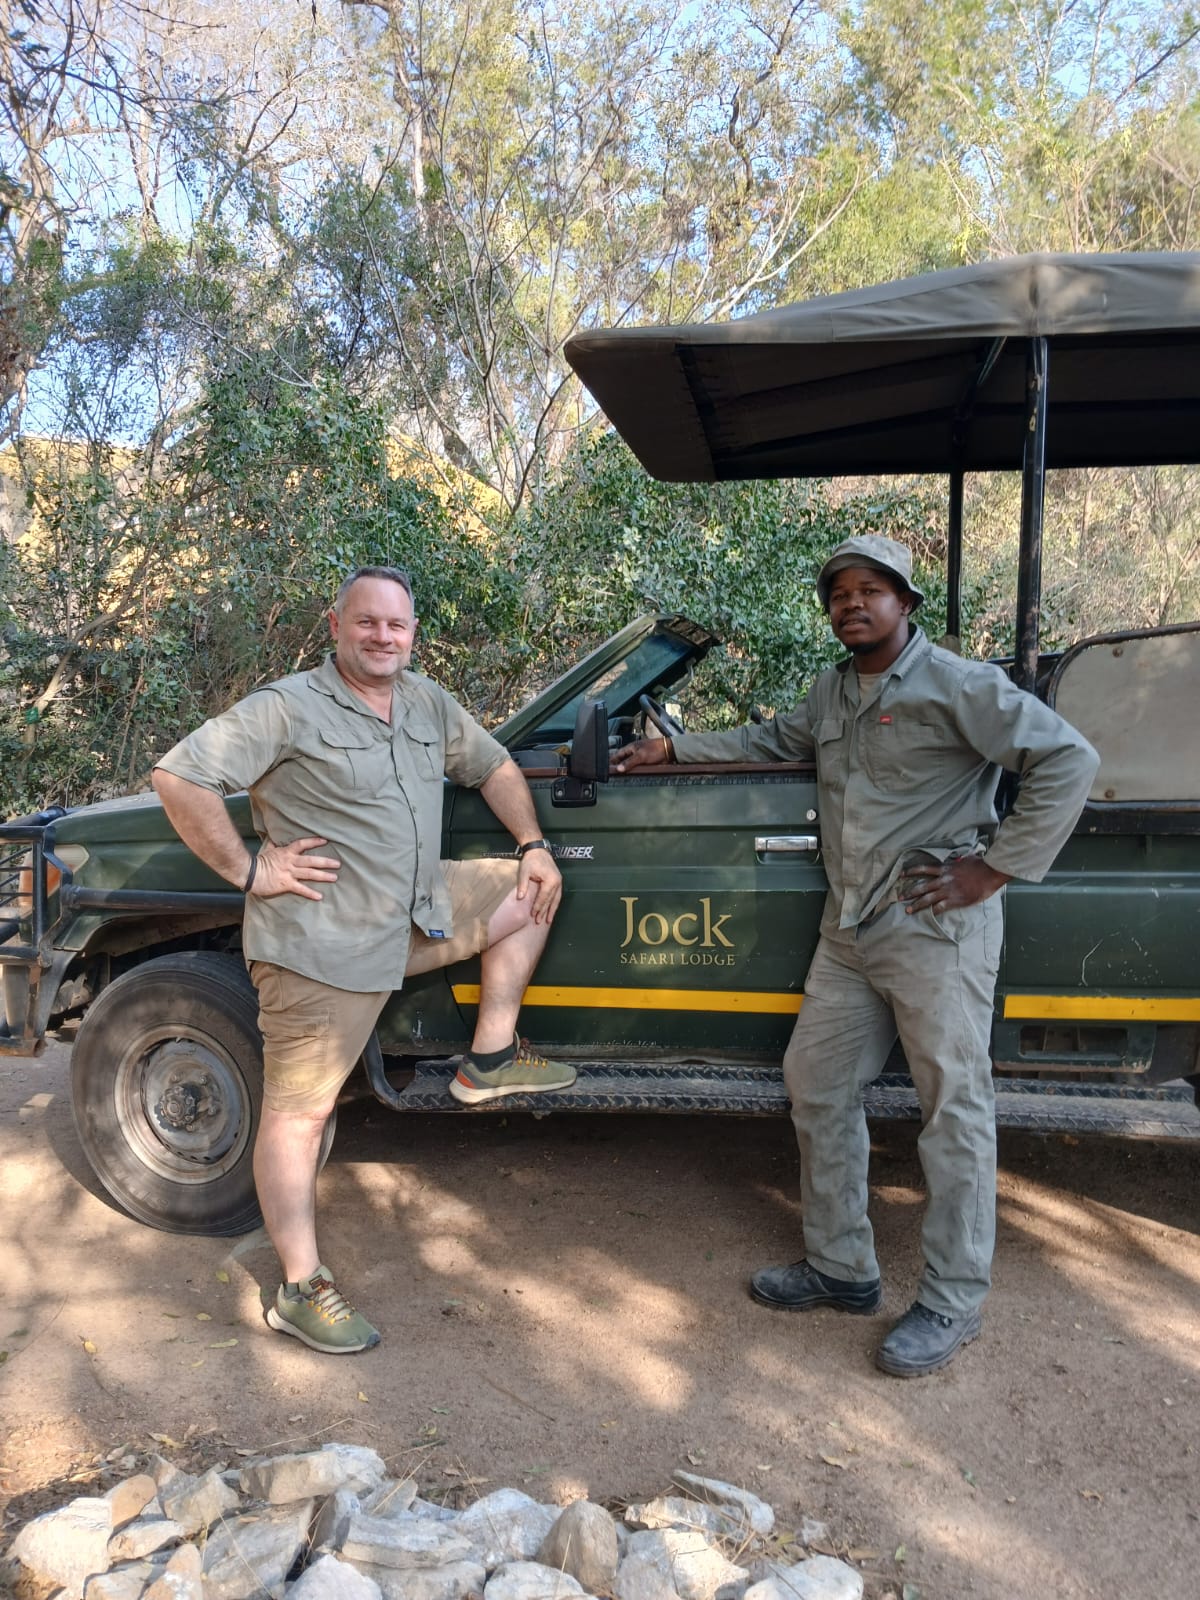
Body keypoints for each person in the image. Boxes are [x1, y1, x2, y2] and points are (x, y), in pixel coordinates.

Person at [615, 535, 1099, 1377]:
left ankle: (953, 1299)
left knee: (953, 1110)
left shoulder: (957, 684)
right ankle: (841, 1268)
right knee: (816, 1083)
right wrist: (674, 749)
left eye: (871, 590)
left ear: (905, 602)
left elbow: (1068, 758)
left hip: (932, 930)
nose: (853, 604)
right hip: (849, 933)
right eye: (839, 594)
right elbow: (770, 740)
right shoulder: (832, 691)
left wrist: (992, 869)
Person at [152, 566, 575, 1355]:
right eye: (368, 622)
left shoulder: (425, 701)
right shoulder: (288, 706)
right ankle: (299, 1287)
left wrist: (533, 843)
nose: (383, 636)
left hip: (416, 913)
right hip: (324, 942)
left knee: (533, 892)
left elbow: (492, 766)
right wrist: (250, 869)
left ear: (413, 634)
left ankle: (488, 1057)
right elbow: (179, 776)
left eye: (397, 625)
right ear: (336, 625)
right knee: (302, 1115)